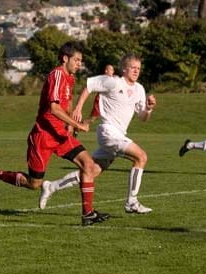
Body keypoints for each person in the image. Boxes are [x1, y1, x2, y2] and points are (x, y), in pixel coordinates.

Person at [0, 41, 109, 226]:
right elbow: (54, 109)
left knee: (88, 165)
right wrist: (78, 125)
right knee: (34, 184)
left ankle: (87, 214)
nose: (79, 64)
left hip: (61, 135)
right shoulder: (56, 75)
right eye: (77, 60)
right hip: (43, 137)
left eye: (81, 60)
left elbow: (67, 104)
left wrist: (71, 127)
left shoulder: (70, 78)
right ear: (65, 58)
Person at [39, 53, 157, 214]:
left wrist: (149, 109)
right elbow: (89, 85)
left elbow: (142, 117)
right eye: (133, 68)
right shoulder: (113, 82)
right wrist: (79, 108)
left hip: (119, 135)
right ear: (124, 68)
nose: (136, 71)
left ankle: (51, 186)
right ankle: (132, 202)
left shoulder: (139, 89)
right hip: (108, 132)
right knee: (141, 157)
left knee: (91, 171)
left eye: (138, 68)